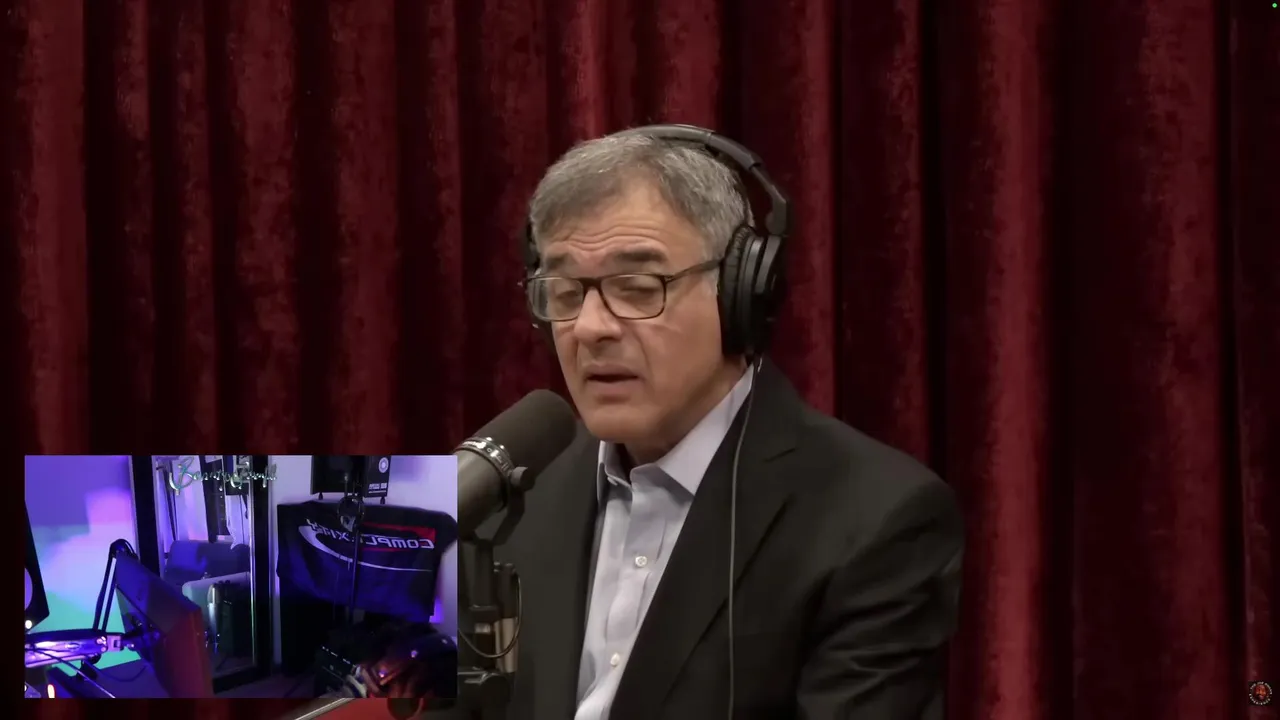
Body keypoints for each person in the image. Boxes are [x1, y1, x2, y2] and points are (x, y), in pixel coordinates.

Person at [496, 126, 964, 720]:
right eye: (564, 292)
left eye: (637, 288)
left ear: (740, 293)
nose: (589, 328)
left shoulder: (881, 519)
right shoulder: (490, 494)